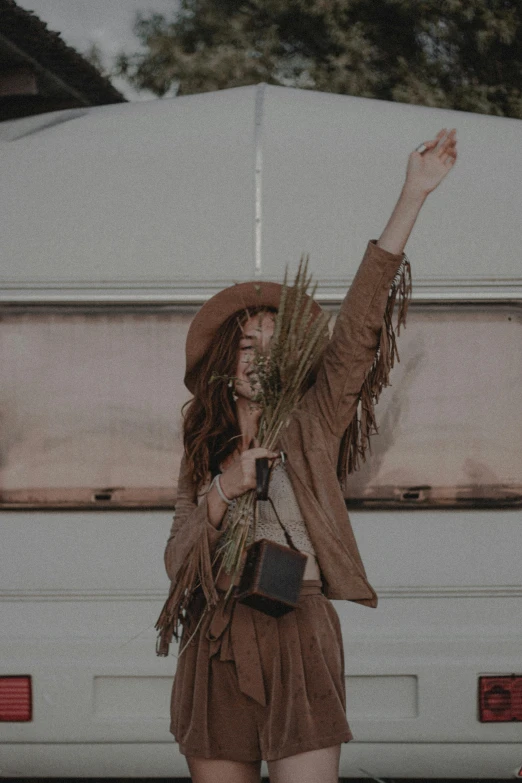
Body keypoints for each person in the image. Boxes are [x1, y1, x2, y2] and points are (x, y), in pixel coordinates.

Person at [158, 127, 457, 783]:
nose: (259, 355)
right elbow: (179, 556)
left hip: (298, 625)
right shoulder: (202, 448)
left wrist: (412, 193)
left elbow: (358, 328)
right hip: (215, 639)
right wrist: (226, 485)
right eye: (246, 344)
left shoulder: (315, 422)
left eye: (274, 342)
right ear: (223, 364)